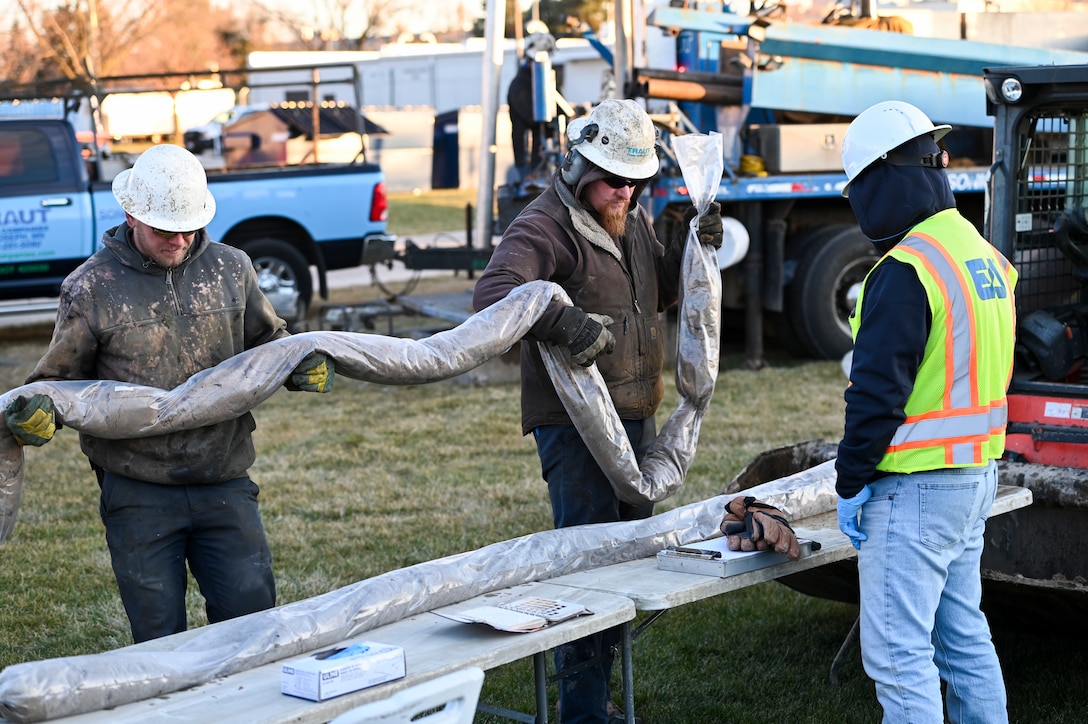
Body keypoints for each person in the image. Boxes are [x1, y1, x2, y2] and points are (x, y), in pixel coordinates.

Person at [3, 144, 335, 643]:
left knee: (252, 625)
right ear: (132, 213)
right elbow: (57, 381)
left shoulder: (232, 268)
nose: (179, 240)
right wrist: (33, 412)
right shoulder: (91, 287)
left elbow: (269, 340)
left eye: (190, 226)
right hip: (137, 491)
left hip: (223, 478)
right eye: (164, 228)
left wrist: (299, 362)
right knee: (160, 641)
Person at [473, 98, 722, 724]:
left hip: (634, 416)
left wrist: (692, 249)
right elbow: (494, 294)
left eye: (638, 182)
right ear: (579, 167)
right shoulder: (543, 227)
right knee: (588, 573)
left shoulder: (627, 215)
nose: (627, 193)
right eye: (614, 180)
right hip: (576, 431)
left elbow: (656, 293)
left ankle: (598, 696)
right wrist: (561, 320)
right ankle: (582, 712)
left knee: (625, 563)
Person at [834, 101, 1017, 723]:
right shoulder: (985, 258)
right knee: (963, 639)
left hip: (913, 490)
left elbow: (876, 395)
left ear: (879, 180)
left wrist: (851, 482)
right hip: (975, 478)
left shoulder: (906, 268)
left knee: (899, 657)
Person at [507, 28, 557, 180]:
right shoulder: (520, 85)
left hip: (544, 154)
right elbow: (533, 116)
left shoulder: (546, 83)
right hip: (528, 157)